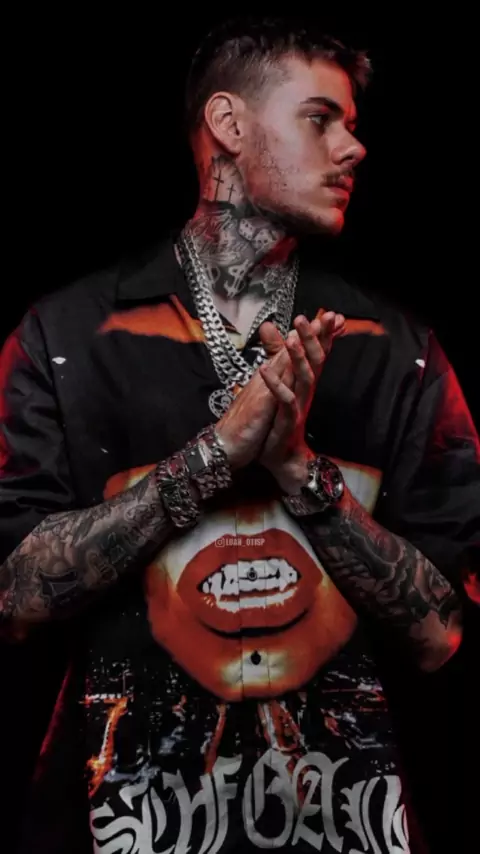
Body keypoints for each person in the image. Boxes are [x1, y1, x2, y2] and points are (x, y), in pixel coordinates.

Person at [0, 15, 478, 854]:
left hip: (346, 831)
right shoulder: (67, 337)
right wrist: (213, 456)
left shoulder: (395, 349)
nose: (353, 148)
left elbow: (442, 635)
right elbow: (16, 599)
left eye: (352, 125)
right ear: (228, 123)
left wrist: (301, 471)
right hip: (121, 828)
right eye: (319, 119)